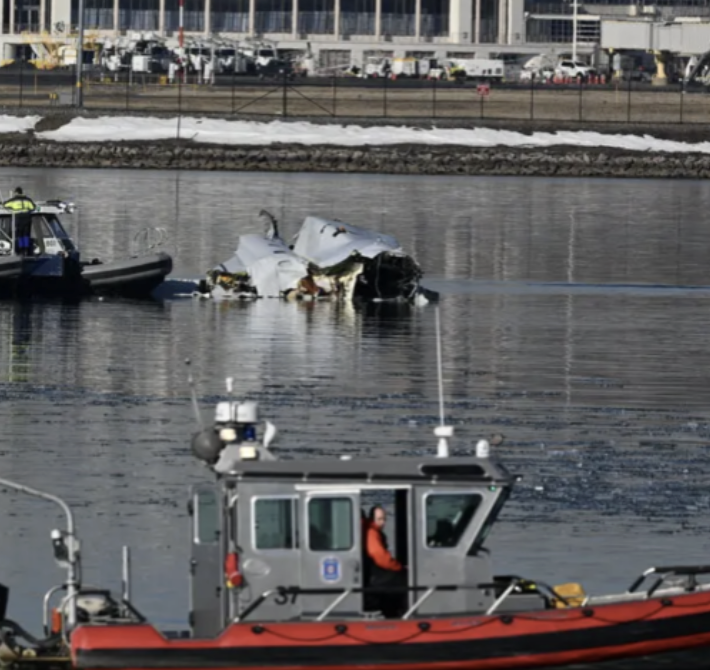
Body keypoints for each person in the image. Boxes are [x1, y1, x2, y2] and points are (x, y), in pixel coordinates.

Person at [364, 505, 407, 617]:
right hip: (376, 575)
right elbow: (380, 556)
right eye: (379, 519)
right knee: (404, 579)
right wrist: (398, 567)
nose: (382, 522)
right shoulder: (372, 533)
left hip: (376, 573)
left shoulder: (375, 532)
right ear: (372, 519)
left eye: (384, 519)